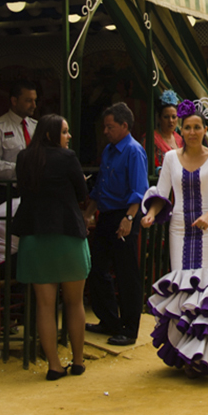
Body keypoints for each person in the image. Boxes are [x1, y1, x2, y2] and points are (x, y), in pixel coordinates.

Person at [141, 99, 208, 375]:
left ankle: (205, 354)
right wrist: (151, 213)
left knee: (205, 288)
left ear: (205, 130)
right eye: (188, 127)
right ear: (181, 131)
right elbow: (162, 192)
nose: (193, 132)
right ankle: (184, 353)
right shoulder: (171, 158)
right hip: (179, 229)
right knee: (184, 289)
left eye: (198, 127)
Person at [13, 114, 90, 379]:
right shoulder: (67, 158)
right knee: (74, 301)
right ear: (50, 134)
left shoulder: (24, 158)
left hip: (34, 235)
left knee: (44, 306)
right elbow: (82, 193)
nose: (69, 136)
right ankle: (78, 361)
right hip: (67, 234)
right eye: (65, 131)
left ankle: (54, 366)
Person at [84, 102, 149, 346]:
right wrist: (88, 213)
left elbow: (139, 189)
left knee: (126, 273)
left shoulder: (134, 151)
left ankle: (130, 328)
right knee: (96, 267)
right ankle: (109, 320)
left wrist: (129, 218)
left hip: (124, 214)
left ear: (124, 126)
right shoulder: (110, 150)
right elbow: (100, 187)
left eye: (110, 127)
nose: (106, 131)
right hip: (106, 215)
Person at [0, 80, 38, 181]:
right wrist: (19, 169)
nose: (34, 105)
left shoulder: (37, 127)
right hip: (7, 191)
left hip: (35, 191)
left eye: (34, 100)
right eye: (28, 100)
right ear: (14, 101)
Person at [149, 90, 183, 173]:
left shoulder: (180, 139)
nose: (170, 121)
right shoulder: (151, 139)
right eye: (166, 117)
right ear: (159, 118)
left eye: (174, 117)